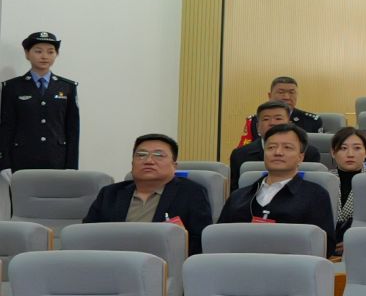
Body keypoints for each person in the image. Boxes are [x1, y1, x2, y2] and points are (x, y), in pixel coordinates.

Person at [84, 133, 214, 256]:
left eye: (159, 155)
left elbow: (200, 241)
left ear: (174, 166)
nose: (149, 161)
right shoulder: (110, 193)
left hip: (163, 263)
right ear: (132, 163)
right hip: (113, 260)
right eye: (141, 155)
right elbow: (87, 234)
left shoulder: (191, 193)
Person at [218, 124, 337, 250]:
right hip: (238, 260)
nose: (278, 152)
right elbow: (218, 238)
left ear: (300, 157)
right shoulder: (238, 196)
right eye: (271, 147)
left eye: (287, 147)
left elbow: (324, 246)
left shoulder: (315, 195)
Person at [0, 31, 78, 172]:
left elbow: (72, 129)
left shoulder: (67, 87)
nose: (44, 56)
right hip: (22, 160)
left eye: (50, 51)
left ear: (56, 54)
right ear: (27, 54)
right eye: (38, 51)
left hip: (57, 160)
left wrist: (72, 166)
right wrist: (4, 164)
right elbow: (7, 127)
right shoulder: (12, 87)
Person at [237, 75, 321, 145]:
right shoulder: (255, 120)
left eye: (291, 92)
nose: (286, 97)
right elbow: (244, 150)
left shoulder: (311, 121)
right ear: (270, 95)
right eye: (281, 92)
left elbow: (317, 151)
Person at [229, 100, 295, 181]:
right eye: (266, 119)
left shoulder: (305, 152)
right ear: (258, 127)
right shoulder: (240, 155)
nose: (272, 123)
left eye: (278, 118)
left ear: (289, 124)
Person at [329, 126, 366, 242]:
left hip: (365, 242)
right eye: (343, 148)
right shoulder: (324, 181)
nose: (350, 154)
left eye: (357, 148)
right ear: (333, 152)